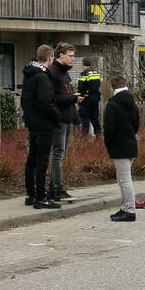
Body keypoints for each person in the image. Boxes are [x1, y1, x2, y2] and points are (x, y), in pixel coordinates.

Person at [21, 45, 61, 210]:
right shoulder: (43, 77)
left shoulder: (30, 75)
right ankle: (41, 198)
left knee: (32, 159)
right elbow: (46, 103)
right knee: (42, 161)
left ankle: (31, 194)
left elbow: (25, 100)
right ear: (50, 57)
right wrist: (56, 117)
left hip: (32, 123)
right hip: (44, 124)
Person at [46, 42, 83, 201]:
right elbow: (53, 98)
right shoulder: (53, 72)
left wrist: (76, 118)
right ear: (60, 55)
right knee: (58, 154)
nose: (73, 59)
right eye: (70, 56)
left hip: (67, 119)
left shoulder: (65, 73)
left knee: (61, 154)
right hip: (59, 120)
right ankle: (57, 189)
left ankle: (55, 188)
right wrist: (73, 98)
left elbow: (68, 96)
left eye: (73, 56)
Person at [104, 75, 140, 222]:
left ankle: (130, 210)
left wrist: (108, 144)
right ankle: (125, 207)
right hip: (131, 143)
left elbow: (109, 128)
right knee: (122, 179)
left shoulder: (112, 105)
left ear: (112, 87)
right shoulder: (132, 103)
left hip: (119, 146)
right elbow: (136, 125)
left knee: (125, 180)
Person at [77, 58, 102, 136]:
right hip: (95, 99)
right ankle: (99, 137)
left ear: (83, 64)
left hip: (86, 99)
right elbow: (98, 85)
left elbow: (80, 87)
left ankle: (84, 140)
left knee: (85, 120)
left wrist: (81, 96)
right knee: (95, 119)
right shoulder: (96, 74)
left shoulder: (84, 74)